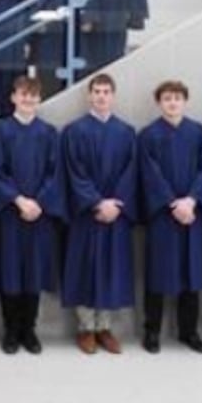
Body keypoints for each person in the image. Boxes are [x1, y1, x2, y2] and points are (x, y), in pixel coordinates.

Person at [0, 76, 65, 355]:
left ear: (39, 99)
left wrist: (38, 202)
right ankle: (11, 330)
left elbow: (55, 173)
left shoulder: (49, 133)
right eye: (23, 94)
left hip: (39, 215)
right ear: (13, 98)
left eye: (33, 95)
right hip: (10, 212)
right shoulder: (1, 131)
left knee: (33, 273)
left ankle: (29, 330)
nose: (28, 99)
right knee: (10, 273)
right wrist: (19, 200)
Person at [61, 73, 136, 355]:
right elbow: (74, 173)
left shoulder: (127, 132)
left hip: (115, 215)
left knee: (110, 270)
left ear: (113, 96)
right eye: (97, 91)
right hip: (86, 215)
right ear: (89, 96)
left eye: (106, 91)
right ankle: (85, 328)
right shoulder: (74, 131)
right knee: (85, 270)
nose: (101, 96)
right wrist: (96, 202)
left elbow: (131, 173)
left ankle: (104, 328)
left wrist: (114, 205)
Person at [138, 80, 202, 354]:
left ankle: (189, 331)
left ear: (185, 101)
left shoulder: (199, 133)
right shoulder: (148, 135)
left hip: (193, 215)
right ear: (159, 102)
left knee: (191, 275)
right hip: (163, 215)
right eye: (167, 98)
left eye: (177, 98)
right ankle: (152, 331)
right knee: (158, 274)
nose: (172, 103)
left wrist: (191, 201)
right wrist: (172, 203)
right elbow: (149, 174)